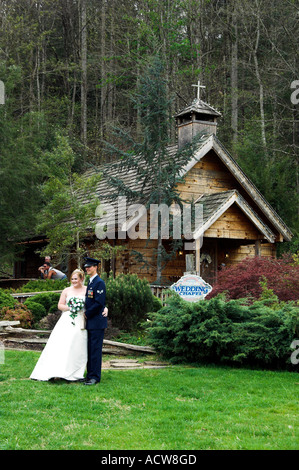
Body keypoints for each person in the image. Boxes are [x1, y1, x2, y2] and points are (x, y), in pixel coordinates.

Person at [30, 268, 88, 381]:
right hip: (67, 319)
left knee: (77, 344)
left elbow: (95, 303)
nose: (74, 281)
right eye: (72, 279)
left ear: (81, 279)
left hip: (80, 321)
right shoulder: (66, 290)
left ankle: (74, 372)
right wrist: (71, 308)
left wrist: (104, 308)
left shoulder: (87, 290)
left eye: (76, 279)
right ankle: (56, 370)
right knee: (62, 344)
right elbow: (60, 305)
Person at [83, 257, 108, 386]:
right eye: (86, 267)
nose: (87, 268)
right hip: (91, 322)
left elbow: (99, 303)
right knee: (90, 349)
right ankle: (89, 375)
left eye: (90, 266)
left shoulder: (99, 282)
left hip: (97, 322)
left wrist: (87, 313)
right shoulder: (91, 282)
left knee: (95, 350)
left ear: (96, 267)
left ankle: (95, 377)